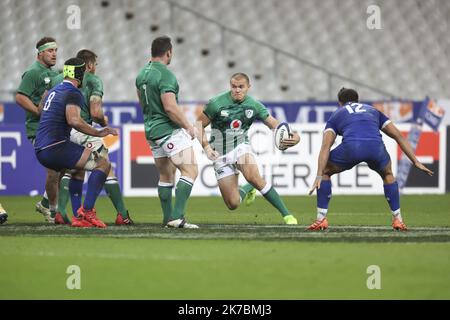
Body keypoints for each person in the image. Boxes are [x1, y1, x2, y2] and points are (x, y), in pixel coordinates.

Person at [308, 87, 434, 231]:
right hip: (376, 148)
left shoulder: (337, 114)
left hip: (352, 147)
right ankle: (398, 219)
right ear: (357, 100)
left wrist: (319, 174)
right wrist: (416, 161)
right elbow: (398, 135)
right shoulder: (373, 110)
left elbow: (326, 146)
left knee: (325, 172)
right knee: (388, 174)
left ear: (339, 102)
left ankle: (321, 219)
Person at [197, 73, 300, 224]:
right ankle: (247, 187)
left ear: (248, 87)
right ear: (230, 86)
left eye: (241, 87)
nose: (237, 90)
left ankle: (287, 215)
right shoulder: (216, 103)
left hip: (240, 146)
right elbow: (198, 125)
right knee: (233, 203)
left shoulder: (254, 105)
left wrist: (295, 135)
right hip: (219, 153)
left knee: (255, 177)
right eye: (234, 87)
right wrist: (206, 148)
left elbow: (275, 124)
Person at [34, 58, 119, 228]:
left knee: (68, 170)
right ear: (79, 74)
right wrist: (99, 132)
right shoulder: (73, 93)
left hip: (40, 148)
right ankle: (86, 212)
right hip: (56, 146)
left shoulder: (54, 90)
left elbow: (41, 109)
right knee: (102, 165)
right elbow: (74, 120)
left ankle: (53, 210)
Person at [51, 49, 133, 225]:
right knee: (105, 166)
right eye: (95, 64)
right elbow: (95, 113)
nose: (95, 68)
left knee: (74, 170)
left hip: (62, 132)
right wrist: (103, 122)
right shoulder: (93, 80)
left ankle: (68, 213)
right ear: (88, 65)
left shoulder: (59, 79)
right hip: (82, 128)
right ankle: (120, 215)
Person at [135, 36, 199, 228]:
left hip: (151, 131)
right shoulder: (165, 75)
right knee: (190, 170)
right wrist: (188, 126)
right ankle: (177, 216)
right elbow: (170, 107)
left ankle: (167, 218)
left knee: (165, 175)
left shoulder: (141, 75)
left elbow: (143, 103)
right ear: (169, 52)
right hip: (168, 130)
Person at [15, 37, 60, 222]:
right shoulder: (33, 73)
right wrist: (38, 113)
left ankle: (45, 203)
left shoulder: (54, 73)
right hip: (38, 129)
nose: (54, 53)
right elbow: (19, 97)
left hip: (53, 127)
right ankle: (52, 211)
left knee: (63, 168)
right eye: (50, 50)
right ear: (40, 53)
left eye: (56, 50)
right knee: (54, 170)